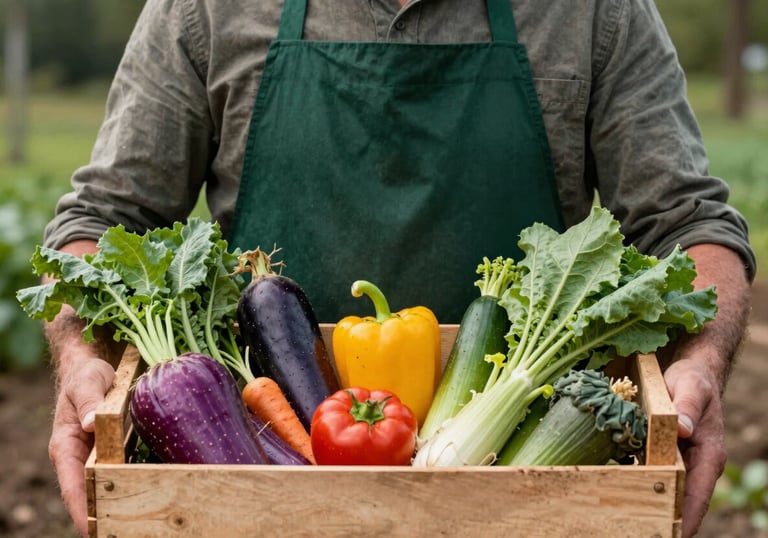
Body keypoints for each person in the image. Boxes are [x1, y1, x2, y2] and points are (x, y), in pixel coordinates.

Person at [42, 0, 754, 536]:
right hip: (256, 490)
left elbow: (690, 225)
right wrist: (80, 360)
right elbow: (100, 221)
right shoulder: (206, 9)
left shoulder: (593, 12)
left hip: (526, 497)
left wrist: (699, 365)